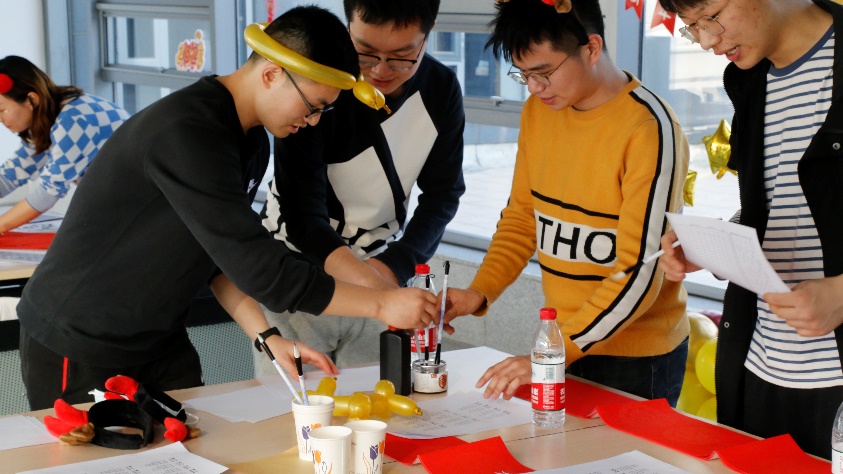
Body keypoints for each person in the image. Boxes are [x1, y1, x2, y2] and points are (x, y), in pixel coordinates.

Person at [16, 6, 438, 411]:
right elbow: (266, 273)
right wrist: (381, 304)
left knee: (196, 443)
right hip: (80, 339)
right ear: (271, 74)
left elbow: (219, 258)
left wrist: (268, 337)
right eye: (313, 107)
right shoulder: (187, 133)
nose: (313, 122)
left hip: (157, 338)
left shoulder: (250, 139)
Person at [442, 0, 690, 406]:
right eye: (523, 75)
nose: (533, 88)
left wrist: (556, 351)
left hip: (636, 357)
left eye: (543, 73)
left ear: (591, 49)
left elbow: (640, 270)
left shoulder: (648, 127)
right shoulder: (538, 113)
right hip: (561, 341)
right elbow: (523, 219)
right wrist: (479, 292)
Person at [657, 0, 842, 459]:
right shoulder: (748, 81)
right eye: (693, 27)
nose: (707, 40)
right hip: (759, 367)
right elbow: (774, 209)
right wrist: (712, 247)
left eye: (712, 17)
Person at [255, 0, 464, 375]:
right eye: (365, 53)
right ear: (348, 25)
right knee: (299, 406)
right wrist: (382, 293)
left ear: (429, 32)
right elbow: (302, 216)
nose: (381, 70)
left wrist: (392, 269)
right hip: (297, 274)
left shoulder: (441, 88)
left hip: (380, 269)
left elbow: (443, 196)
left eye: (401, 57)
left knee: (381, 397)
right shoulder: (317, 84)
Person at [0, 56, 129, 231]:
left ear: (32, 100)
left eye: (2, 110)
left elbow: (48, 192)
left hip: (142, 204)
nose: (0, 119)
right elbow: (11, 174)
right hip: (118, 204)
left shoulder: (73, 119)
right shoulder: (50, 117)